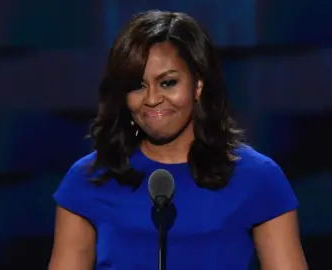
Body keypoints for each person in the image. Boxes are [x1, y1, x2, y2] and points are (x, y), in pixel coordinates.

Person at [48, 10, 307, 270]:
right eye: (137, 86)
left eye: (168, 82)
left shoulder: (257, 178)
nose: (152, 99)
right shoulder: (90, 178)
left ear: (198, 85)